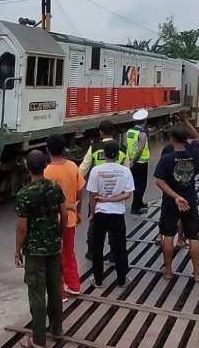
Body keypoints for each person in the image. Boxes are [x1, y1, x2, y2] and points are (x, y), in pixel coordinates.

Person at [14, 149, 65, 348]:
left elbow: (22, 228)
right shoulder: (55, 187)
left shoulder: (24, 194)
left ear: (27, 167)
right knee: (54, 289)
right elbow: (64, 214)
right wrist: (58, 236)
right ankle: (57, 329)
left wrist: (17, 251)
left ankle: (38, 340)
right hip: (53, 247)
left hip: (34, 252)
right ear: (45, 166)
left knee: (36, 293)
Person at [154, 109, 199, 281]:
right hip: (190, 200)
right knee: (193, 237)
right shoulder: (194, 153)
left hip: (171, 202)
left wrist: (175, 196)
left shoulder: (167, 158)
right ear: (185, 138)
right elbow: (196, 137)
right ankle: (197, 272)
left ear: (172, 139)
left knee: (168, 235)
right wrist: (186, 121)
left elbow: (159, 182)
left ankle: (168, 271)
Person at [86, 140, 135, 286]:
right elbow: (127, 194)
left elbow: (92, 194)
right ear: (119, 155)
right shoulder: (125, 171)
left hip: (100, 213)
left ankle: (98, 279)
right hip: (117, 214)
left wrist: (92, 213)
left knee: (97, 247)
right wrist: (112, 199)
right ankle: (122, 280)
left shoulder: (96, 171)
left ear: (103, 154)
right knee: (120, 247)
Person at [43, 134, 85, 300]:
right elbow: (80, 191)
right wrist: (78, 211)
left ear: (48, 150)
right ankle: (74, 285)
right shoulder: (73, 166)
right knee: (69, 252)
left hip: (54, 221)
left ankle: (60, 292)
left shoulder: (47, 172)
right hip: (70, 218)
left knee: (54, 256)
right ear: (64, 148)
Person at [79, 120, 127, 260]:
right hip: (117, 195)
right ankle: (113, 253)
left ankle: (92, 252)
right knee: (115, 226)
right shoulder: (122, 149)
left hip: (97, 194)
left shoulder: (94, 148)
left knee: (94, 222)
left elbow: (83, 169)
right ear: (113, 132)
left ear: (100, 132)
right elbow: (127, 170)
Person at [124, 109, 151, 215]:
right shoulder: (142, 134)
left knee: (136, 183)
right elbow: (140, 149)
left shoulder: (129, 131)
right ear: (144, 121)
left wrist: (130, 161)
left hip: (132, 161)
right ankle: (136, 207)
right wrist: (134, 160)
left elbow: (127, 146)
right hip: (140, 162)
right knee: (141, 185)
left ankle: (139, 202)